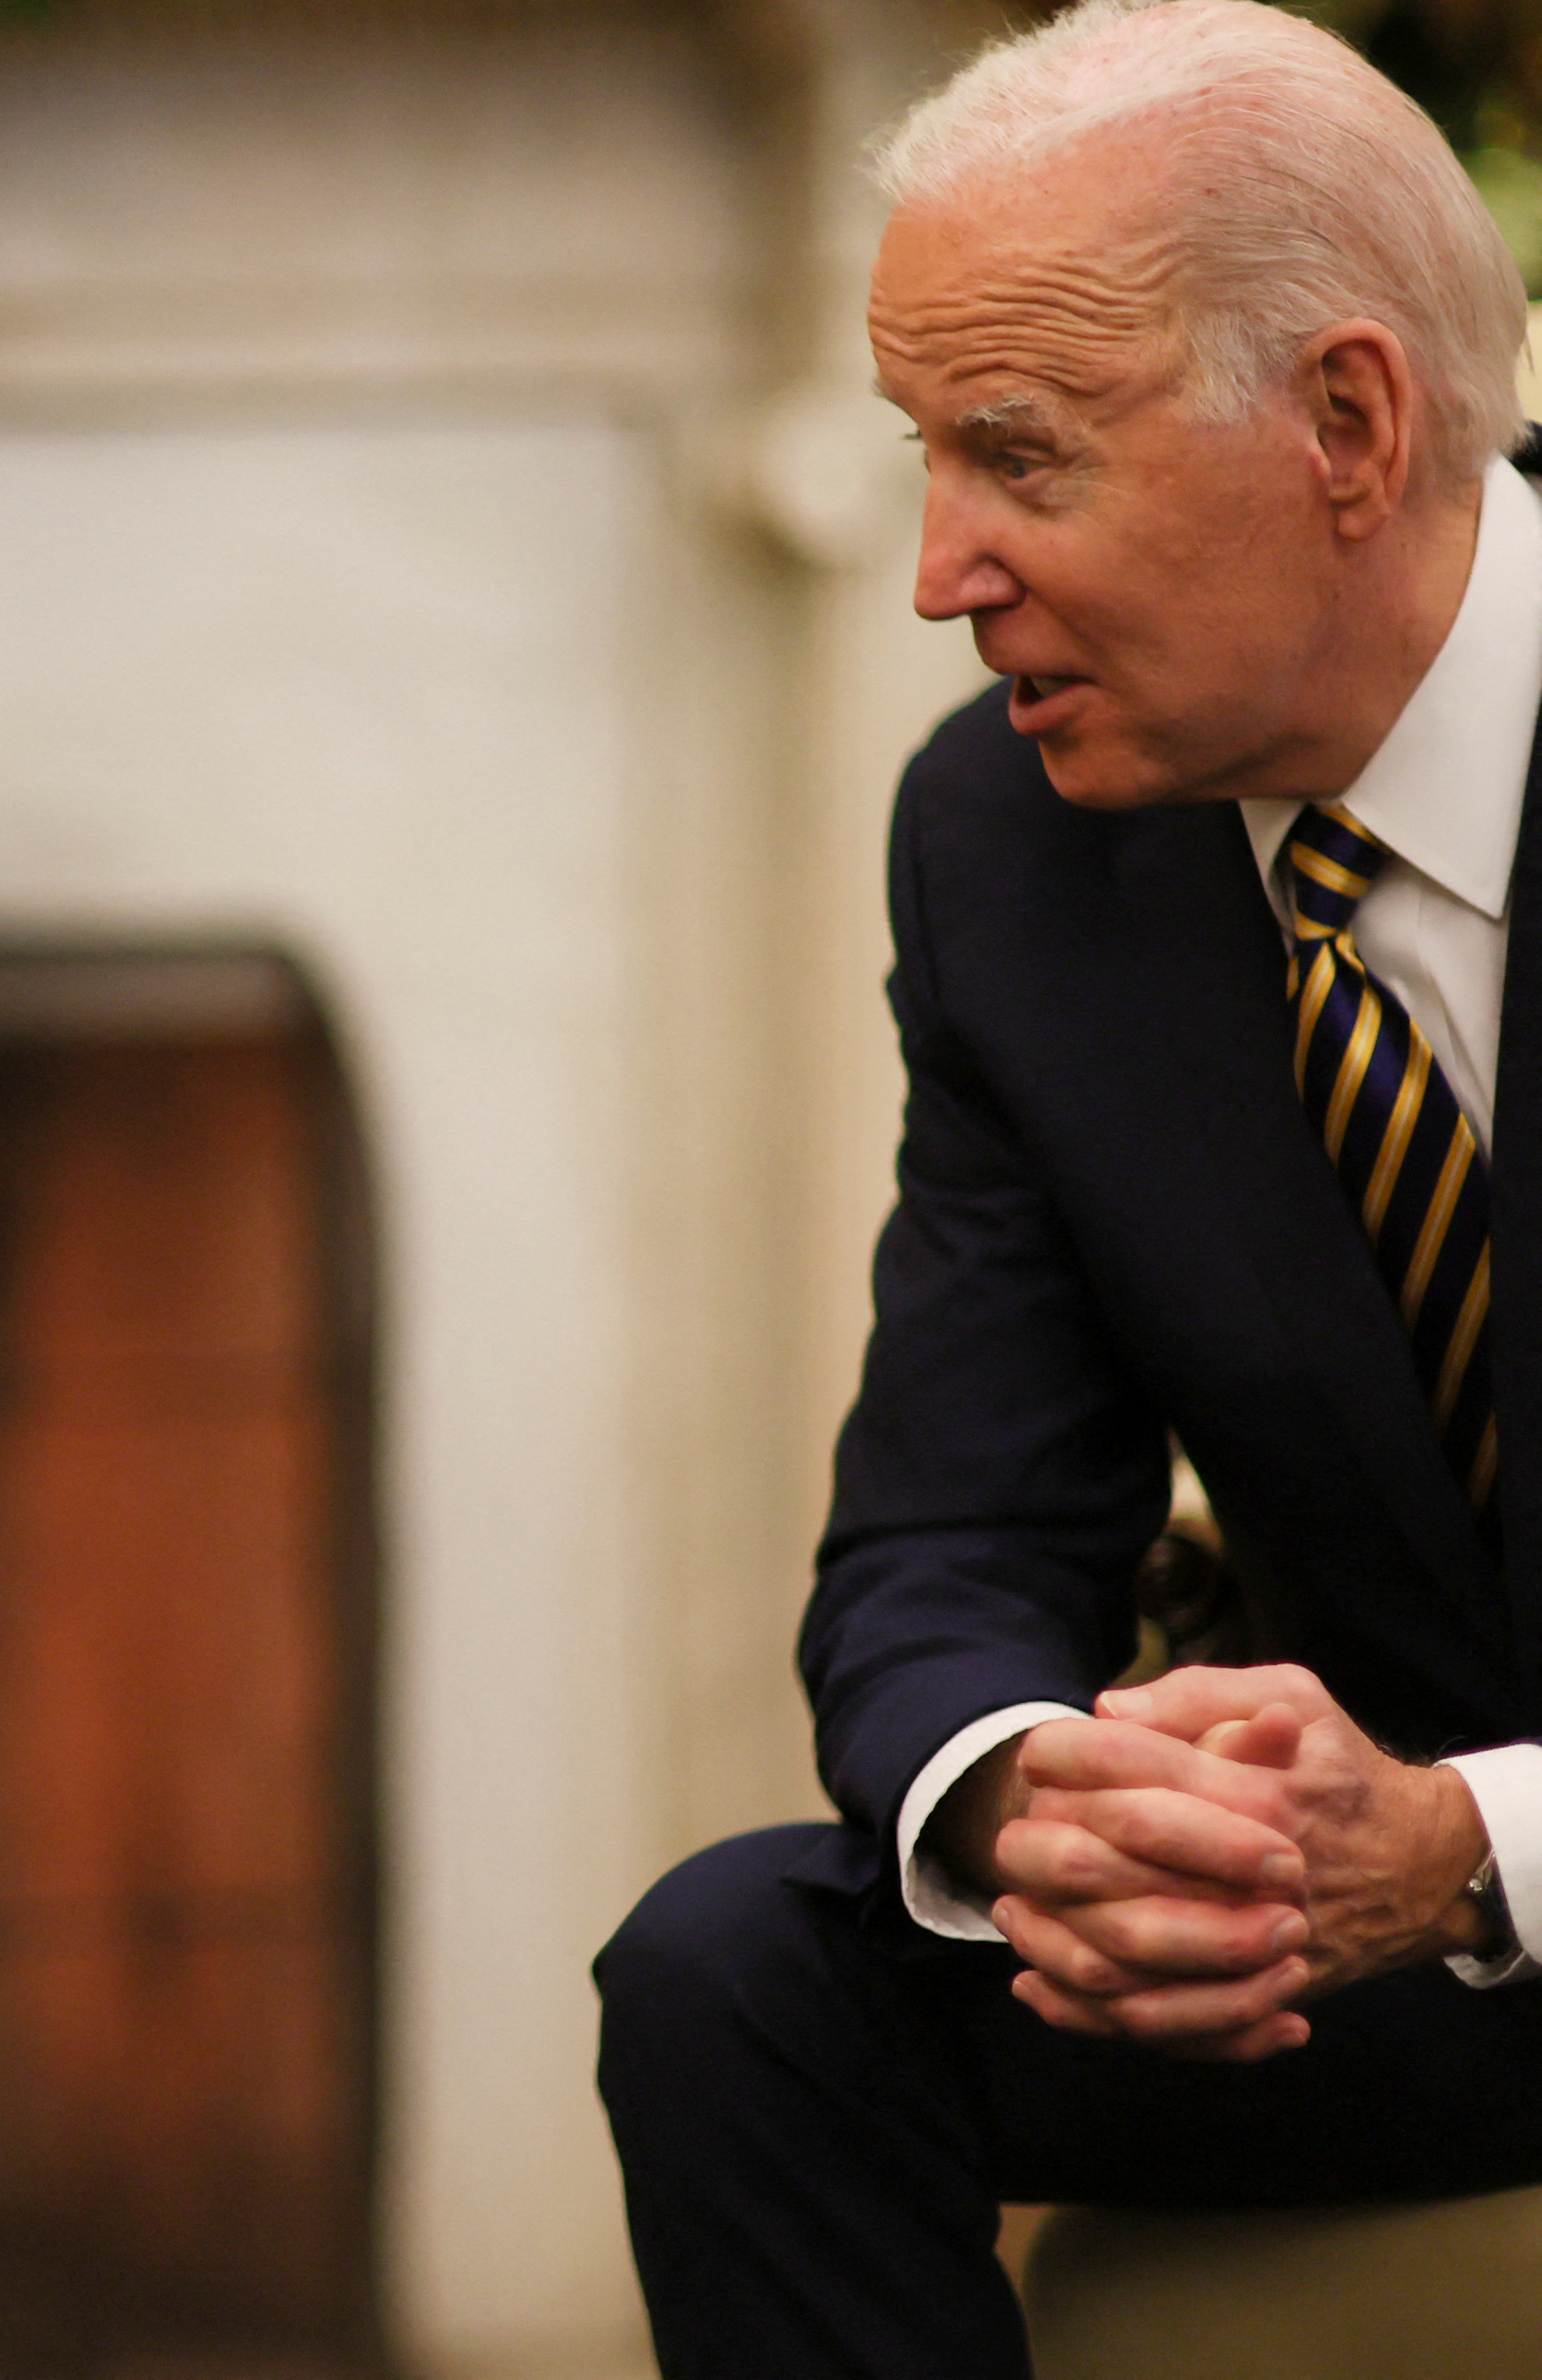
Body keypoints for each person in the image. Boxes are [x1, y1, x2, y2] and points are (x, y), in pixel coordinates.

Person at [592, 5, 1542, 2374]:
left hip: (1463, 1876)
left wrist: (1457, 1841)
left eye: (1014, 456)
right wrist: (1033, 1798)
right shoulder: (1008, 844)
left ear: (1346, 423)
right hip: (1358, 1945)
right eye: (924, 457)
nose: (936, 573)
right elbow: (944, 1537)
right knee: (730, 1979)